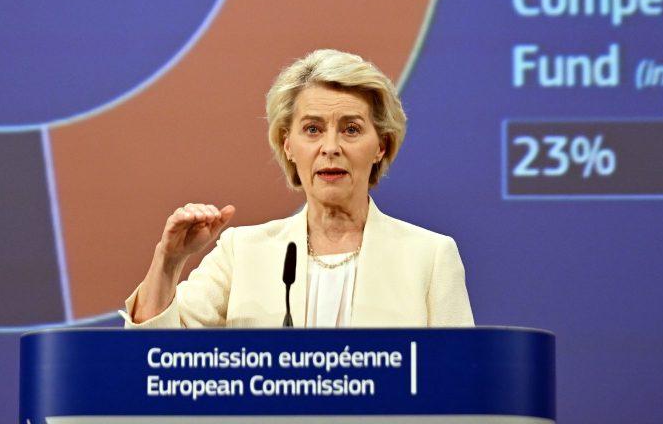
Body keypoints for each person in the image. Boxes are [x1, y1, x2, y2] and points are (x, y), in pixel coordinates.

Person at [124, 48, 474, 327]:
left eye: (351, 129)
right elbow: (153, 356)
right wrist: (168, 262)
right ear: (287, 145)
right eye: (312, 129)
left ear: (381, 145)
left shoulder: (430, 257)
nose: (331, 147)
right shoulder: (242, 253)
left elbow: (461, 380)